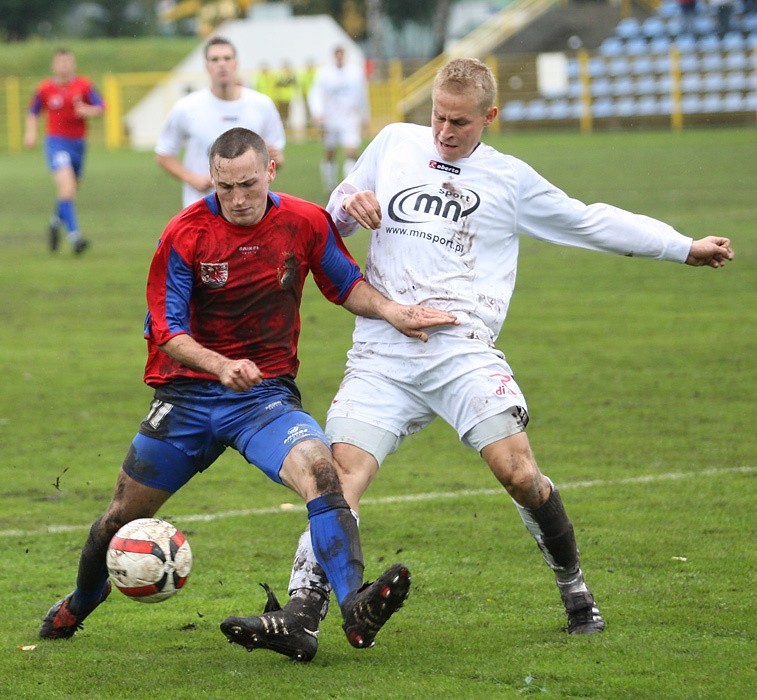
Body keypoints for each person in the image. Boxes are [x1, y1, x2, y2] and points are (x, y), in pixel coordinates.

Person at [230, 57, 735, 662]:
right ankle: (302, 617)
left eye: (460, 123)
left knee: (518, 472)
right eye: (438, 117)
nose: (444, 132)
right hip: (383, 348)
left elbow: (589, 221)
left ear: (489, 117)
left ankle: (574, 589)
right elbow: (329, 217)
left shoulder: (509, 180)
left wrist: (684, 248)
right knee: (338, 480)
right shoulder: (393, 143)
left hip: (461, 350)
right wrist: (351, 206)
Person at [38, 127, 458, 658]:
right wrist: (220, 365)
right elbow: (166, 331)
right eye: (224, 187)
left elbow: (346, 284)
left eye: (248, 185)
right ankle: (79, 601)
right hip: (188, 399)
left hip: (264, 399)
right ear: (212, 180)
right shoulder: (184, 234)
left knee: (322, 472)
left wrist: (392, 311)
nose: (237, 199)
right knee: (119, 517)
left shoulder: (305, 222)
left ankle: (357, 604)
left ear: (271, 171)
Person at [155, 37, 286, 209]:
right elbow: (164, 154)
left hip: (249, 209)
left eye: (227, 58)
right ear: (207, 66)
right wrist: (191, 178)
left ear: (236, 63)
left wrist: (275, 159)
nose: (221, 64)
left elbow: (276, 159)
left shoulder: (262, 105)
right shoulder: (186, 107)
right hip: (202, 206)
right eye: (215, 59)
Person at [24, 48, 104, 255]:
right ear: (53, 65)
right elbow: (32, 112)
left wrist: (88, 110)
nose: (64, 66)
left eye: (68, 62)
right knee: (67, 188)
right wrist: (30, 133)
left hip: (78, 144)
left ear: (73, 64)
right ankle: (75, 237)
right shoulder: (45, 88)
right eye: (60, 62)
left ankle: (53, 224)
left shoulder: (84, 85)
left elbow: (102, 107)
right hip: (56, 143)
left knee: (68, 192)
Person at [307, 46, 370, 192]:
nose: (340, 57)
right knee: (330, 152)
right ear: (334, 56)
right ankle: (330, 186)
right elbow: (315, 93)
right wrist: (317, 112)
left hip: (349, 117)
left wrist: (365, 115)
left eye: (342, 54)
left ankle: (348, 187)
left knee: (351, 151)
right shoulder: (324, 73)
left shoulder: (355, 72)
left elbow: (362, 94)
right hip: (330, 119)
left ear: (345, 55)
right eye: (337, 55)